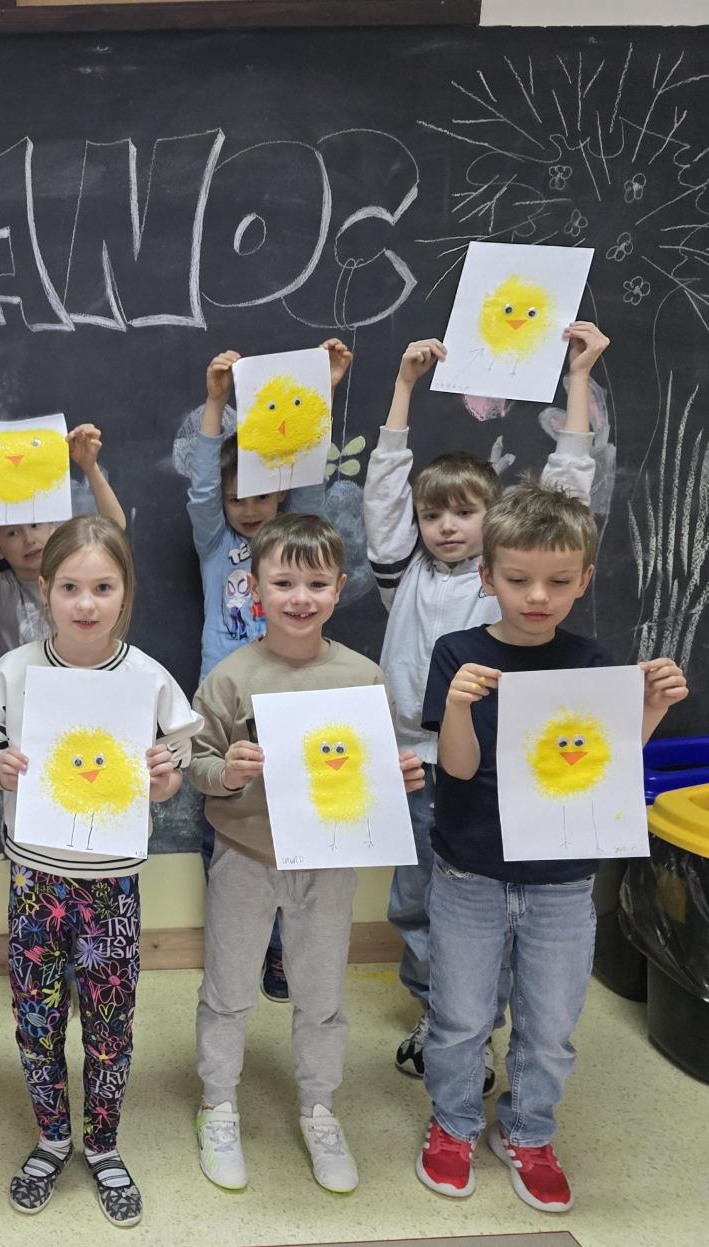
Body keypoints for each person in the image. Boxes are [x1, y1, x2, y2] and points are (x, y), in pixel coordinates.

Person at [415, 484, 686, 1213]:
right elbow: (458, 769)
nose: (537, 596)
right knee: (460, 1016)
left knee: (550, 1024)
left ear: (584, 580)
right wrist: (460, 704)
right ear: (486, 576)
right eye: (518, 578)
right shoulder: (458, 653)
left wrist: (650, 707)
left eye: (558, 581)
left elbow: (606, 768)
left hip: (563, 882)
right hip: (470, 870)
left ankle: (528, 1130)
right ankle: (453, 1123)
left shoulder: (591, 660)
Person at [366, 324, 605, 1085]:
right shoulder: (400, 575)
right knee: (414, 899)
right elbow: (383, 494)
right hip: (415, 760)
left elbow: (567, 496)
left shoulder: (503, 581)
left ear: (495, 526)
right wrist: (402, 388)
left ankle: (482, 1017)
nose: (445, 526)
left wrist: (577, 379)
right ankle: (440, 1011)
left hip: (498, 766)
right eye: (432, 515)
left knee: (495, 902)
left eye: (464, 513)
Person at [189, 513, 424, 1195]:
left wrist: (396, 778)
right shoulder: (230, 677)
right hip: (244, 856)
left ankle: (319, 1106)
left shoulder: (361, 675)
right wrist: (226, 771)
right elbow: (195, 762)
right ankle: (218, 1103)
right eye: (283, 582)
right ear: (255, 588)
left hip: (327, 863)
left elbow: (373, 766)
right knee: (228, 989)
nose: (300, 597)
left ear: (339, 588)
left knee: (321, 995)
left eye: (316, 583)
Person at [0, 514, 200, 1227]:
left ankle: (101, 1144)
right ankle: (52, 1137)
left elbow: (173, 769)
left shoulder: (147, 679)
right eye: (70, 586)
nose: (85, 603)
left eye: (103, 587)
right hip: (35, 880)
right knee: (36, 1017)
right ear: (44, 588)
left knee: (109, 1023)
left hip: (111, 884)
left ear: (125, 591)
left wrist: (164, 780)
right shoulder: (14, 672)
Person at [187, 339, 352, 1003]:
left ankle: (282, 952)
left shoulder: (294, 539)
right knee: (224, 823)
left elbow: (307, 477)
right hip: (229, 702)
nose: (249, 508)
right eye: (237, 499)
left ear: (279, 491)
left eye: (261, 494)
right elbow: (202, 486)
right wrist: (215, 402)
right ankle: (237, 939)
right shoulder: (216, 543)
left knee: (292, 826)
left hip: (294, 693)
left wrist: (324, 391)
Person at [0, 423, 127, 656]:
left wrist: (90, 467)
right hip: (22, 681)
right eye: (12, 533)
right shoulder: (3, 591)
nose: (29, 539)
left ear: (52, 526)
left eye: (35, 525)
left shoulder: (77, 571)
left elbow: (114, 528)